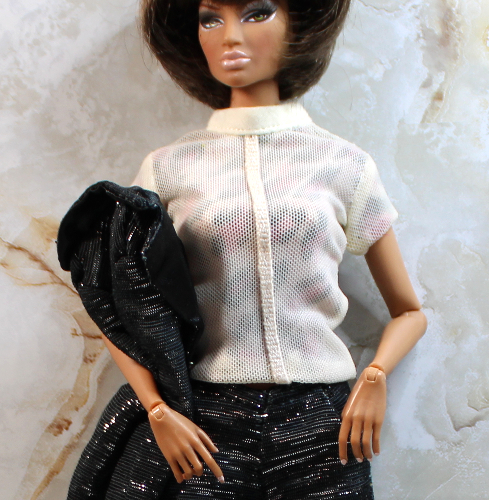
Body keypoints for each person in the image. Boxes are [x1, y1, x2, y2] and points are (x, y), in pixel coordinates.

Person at [61, 0, 427, 498]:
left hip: (323, 427)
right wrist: (157, 409)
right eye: (210, 18)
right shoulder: (169, 168)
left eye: (257, 13)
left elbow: (409, 312)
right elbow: (120, 310)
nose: (230, 36)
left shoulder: (343, 164)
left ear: (298, 24)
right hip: (205, 426)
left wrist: (376, 375)